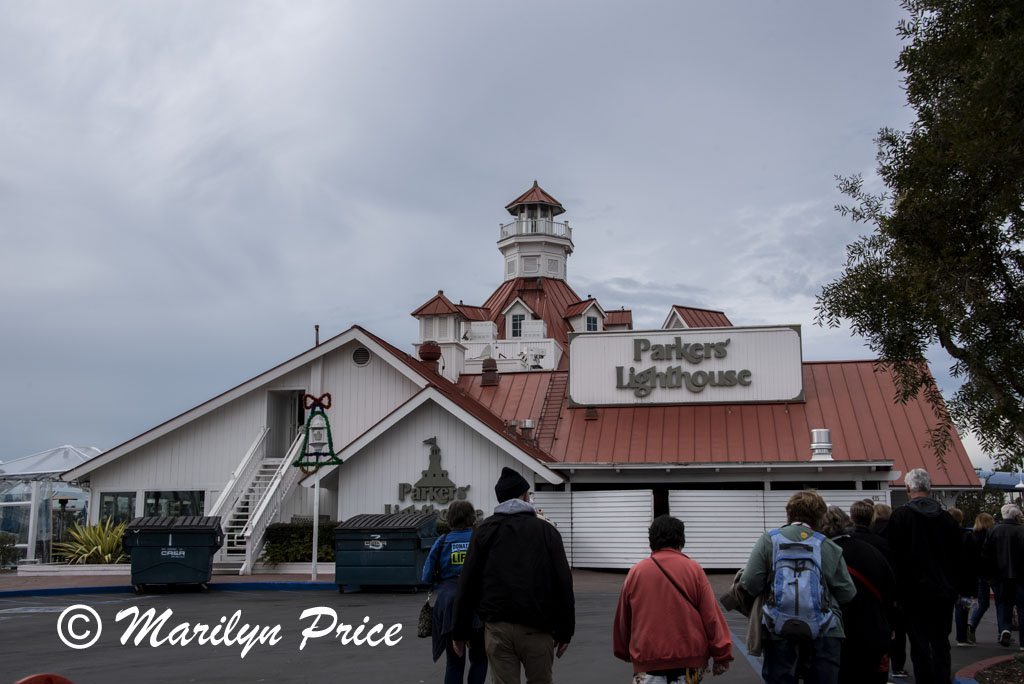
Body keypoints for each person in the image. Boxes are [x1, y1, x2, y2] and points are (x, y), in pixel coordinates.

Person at [452, 467, 574, 684]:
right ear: (525, 496)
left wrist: (460, 631)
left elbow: (467, 582)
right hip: (538, 628)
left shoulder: (484, 531)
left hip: (498, 628)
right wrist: (565, 630)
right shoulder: (547, 532)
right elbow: (563, 582)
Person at [741, 490, 856, 684]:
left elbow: (750, 583)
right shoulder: (827, 545)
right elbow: (848, 593)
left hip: (778, 627)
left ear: (789, 513)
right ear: (820, 516)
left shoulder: (769, 540)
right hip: (825, 629)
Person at [613, 515, 733, 683]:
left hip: (648, 665)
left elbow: (623, 620)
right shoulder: (694, 570)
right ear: (681, 540)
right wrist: (722, 655)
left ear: (651, 541)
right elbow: (711, 616)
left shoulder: (636, 572)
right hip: (689, 664)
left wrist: (624, 652)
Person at [887, 468, 961, 684]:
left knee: (918, 644)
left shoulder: (900, 517)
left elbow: (895, 558)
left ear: (907, 488)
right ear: (930, 488)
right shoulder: (947, 519)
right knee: (940, 642)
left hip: (912, 593)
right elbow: (957, 557)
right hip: (942, 592)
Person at [821, 506, 895, 684]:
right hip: (874, 633)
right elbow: (890, 589)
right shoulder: (872, 551)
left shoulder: (824, 554)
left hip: (838, 635)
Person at [422, 500, 487, 684]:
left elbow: (426, 575)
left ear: (450, 518)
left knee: (454, 662)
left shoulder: (442, 541)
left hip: (449, 606)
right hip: (478, 606)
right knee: (480, 659)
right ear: (472, 517)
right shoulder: (480, 538)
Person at [870, 502, 907, 678]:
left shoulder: (869, 536)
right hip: (895, 586)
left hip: (874, 587)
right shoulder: (897, 534)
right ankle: (898, 665)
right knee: (898, 629)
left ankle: (878, 662)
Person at [981, 504, 1024, 648]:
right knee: (1022, 607)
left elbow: (986, 555)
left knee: (1003, 604)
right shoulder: (1022, 531)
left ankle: (1004, 629)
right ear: (1016, 516)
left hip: (999, 575)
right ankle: (1023, 642)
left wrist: (988, 575)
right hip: (1020, 576)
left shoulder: (993, 531)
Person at [947, 507, 978, 647]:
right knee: (961, 607)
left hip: (946, 576)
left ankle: (942, 635)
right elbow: (972, 560)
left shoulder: (940, 535)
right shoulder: (967, 536)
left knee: (945, 607)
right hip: (963, 575)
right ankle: (961, 637)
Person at [967, 512, 996, 644]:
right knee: (1002, 602)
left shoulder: (972, 537)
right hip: (993, 573)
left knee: (982, 603)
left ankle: (972, 624)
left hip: (977, 573)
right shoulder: (992, 537)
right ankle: (1003, 630)